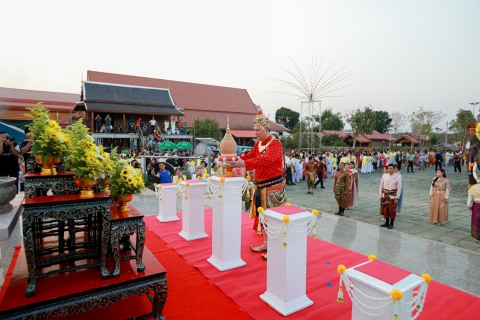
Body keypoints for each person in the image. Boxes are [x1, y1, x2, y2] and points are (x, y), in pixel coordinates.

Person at [231, 105, 287, 260]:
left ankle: (276, 247)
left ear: (266, 128)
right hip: (261, 185)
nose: (255, 133)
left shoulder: (275, 143)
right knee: (263, 217)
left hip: (273, 187)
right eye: (254, 130)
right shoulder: (258, 144)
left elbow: (266, 159)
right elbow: (250, 155)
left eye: (258, 130)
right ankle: (267, 243)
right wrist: (239, 159)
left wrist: (245, 164)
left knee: (273, 218)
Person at [379, 164, 402, 229]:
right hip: (385, 195)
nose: (389, 170)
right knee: (385, 209)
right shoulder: (384, 176)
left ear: (394, 169)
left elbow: (399, 188)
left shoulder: (398, 177)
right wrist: (380, 195)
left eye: (391, 168)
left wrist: (397, 198)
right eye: (388, 168)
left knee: (392, 210)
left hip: (392, 196)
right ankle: (386, 222)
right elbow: (381, 186)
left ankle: (391, 223)